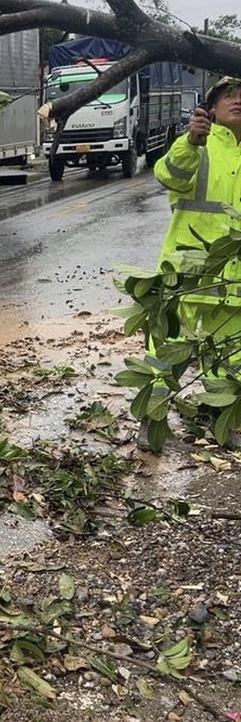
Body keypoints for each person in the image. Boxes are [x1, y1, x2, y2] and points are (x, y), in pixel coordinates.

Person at [139, 76, 241, 449]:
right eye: (229, 95)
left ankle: (221, 418)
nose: (238, 100)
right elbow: (168, 175)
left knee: (231, 353)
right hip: (186, 271)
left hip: (234, 277)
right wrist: (191, 142)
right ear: (210, 109)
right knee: (166, 349)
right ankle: (152, 419)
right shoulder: (197, 144)